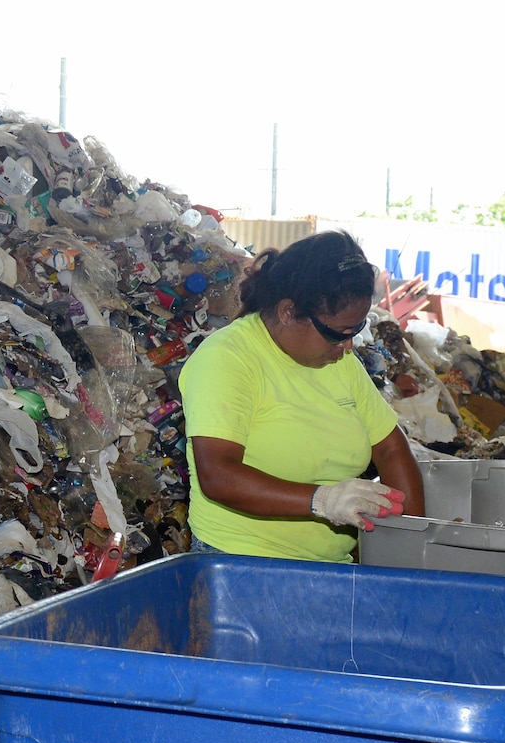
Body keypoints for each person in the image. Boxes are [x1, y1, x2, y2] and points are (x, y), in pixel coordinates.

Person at [179, 230, 423, 560]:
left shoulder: (338, 360)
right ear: (288, 312)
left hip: (331, 566)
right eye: (338, 333)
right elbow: (218, 475)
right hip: (242, 566)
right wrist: (322, 501)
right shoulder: (227, 359)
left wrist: (413, 546)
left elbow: (391, 448)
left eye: (356, 330)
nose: (349, 345)